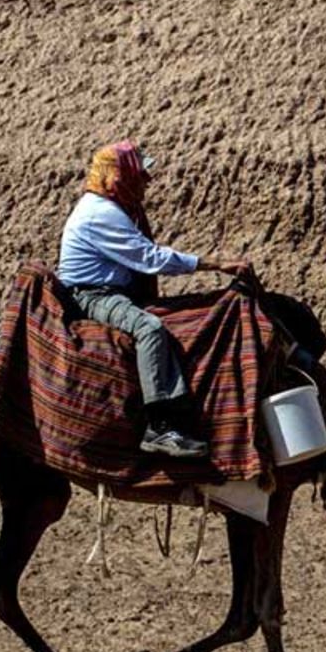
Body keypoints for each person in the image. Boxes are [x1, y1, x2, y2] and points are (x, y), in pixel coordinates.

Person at [57, 141, 254, 459]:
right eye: (142, 174)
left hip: (113, 291)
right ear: (121, 177)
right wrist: (215, 263)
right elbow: (149, 258)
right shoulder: (100, 213)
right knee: (149, 328)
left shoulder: (114, 208)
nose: (148, 180)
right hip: (91, 295)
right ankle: (160, 426)